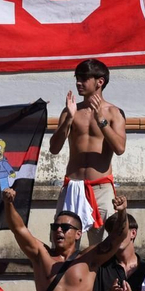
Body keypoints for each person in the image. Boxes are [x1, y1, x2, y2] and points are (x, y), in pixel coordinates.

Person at [3, 187, 128, 291]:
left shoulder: (89, 258)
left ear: (78, 234)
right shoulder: (41, 255)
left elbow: (117, 237)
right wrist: (8, 204)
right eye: (55, 227)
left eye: (65, 227)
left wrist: (122, 212)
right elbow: (18, 228)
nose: (59, 230)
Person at [49, 58, 127, 239]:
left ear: (100, 81)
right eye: (77, 78)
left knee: (102, 246)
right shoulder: (71, 110)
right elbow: (54, 148)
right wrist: (68, 118)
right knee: (62, 244)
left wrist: (101, 121)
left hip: (100, 188)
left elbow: (119, 148)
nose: (78, 82)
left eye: (84, 78)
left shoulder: (114, 112)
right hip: (72, 188)